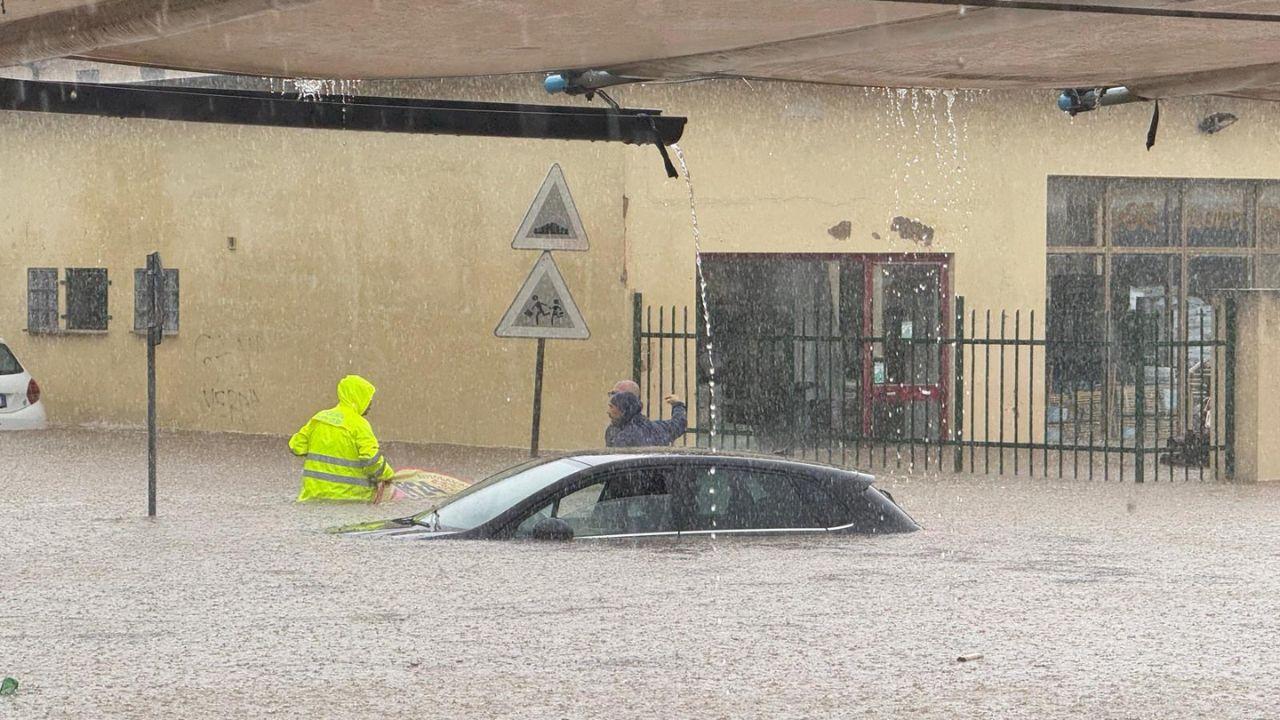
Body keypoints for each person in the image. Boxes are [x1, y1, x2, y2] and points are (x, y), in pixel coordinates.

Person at [288, 374, 395, 502]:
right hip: (349, 499)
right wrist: (388, 474)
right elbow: (371, 460)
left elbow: (296, 446)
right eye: (368, 398)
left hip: (313, 497)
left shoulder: (319, 418)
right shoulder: (359, 425)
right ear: (357, 398)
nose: (370, 404)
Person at [605, 390, 688, 447]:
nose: (608, 411)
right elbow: (678, 425)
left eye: (611, 407)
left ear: (623, 410)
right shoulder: (655, 428)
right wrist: (678, 405)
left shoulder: (621, 435)